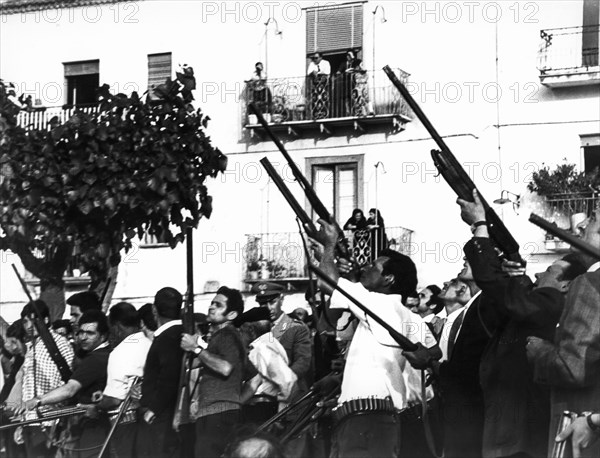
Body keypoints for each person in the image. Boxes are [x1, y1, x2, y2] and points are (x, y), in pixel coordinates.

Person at [315, 217, 437, 458]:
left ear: (388, 280)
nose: (365, 267)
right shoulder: (407, 315)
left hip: (366, 417)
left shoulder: (379, 302)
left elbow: (325, 281)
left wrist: (329, 245)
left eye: (373, 266)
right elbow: (435, 352)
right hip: (378, 415)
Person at [526, 206, 600, 458]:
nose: (579, 228)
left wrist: (540, 351)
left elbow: (573, 368)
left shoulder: (591, 283)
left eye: (590, 220)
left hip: (581, 431)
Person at [21, 310, 111, 458]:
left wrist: (37, 400)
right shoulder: (101, 355)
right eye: (81, 332)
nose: (83, 337)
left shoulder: (96, 359)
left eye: (90, 333)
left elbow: (70, 389)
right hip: (88, 427)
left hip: (93, 431)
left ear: (103, 336)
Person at [181, 286, 258, 458]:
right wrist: (237, 402)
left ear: (231, 315)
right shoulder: (230, 339)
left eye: (218, 305)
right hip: (221, 414)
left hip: (216, 416)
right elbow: (255, 378)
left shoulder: (226, 335)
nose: (211, 307)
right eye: (212, 303)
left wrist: (196, 348)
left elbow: (225, 368)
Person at [18, 300, 75, 458]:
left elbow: (69, 380)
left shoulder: (59, 343)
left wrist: (61, 420)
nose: (29, 326)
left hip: (50, 420)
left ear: (45, 320)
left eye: (33, 320)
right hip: (31, 420)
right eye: (25, 321)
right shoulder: (31, 346)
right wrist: (22, 423)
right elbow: (27, 388)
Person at [96, 302, 152, 458]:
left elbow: (114, 399)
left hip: (123, 422)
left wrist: (97, 406)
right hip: (146, 419)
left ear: (116, 326)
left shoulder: (119, 352)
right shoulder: (150, 344)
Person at [137, 287, 184, 458]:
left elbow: (169, 376)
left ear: (154, 310)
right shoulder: (181, 333)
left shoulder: (167, 337)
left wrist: (153, 410)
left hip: (161, 418)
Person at [238, 307, 297, 425]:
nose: (240, 336)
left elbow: (289, 380)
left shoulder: (262, 347)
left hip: (260, 410)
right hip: (262, 408)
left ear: (250, 330)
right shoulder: (270, 343)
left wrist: (280, 413)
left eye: (241, 331)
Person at [251, 282, 312, 393]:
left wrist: (280, 381)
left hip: (288, 392)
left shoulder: (296, 328)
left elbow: (302, 363)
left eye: (272, 302)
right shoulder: (254, 329)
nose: (268, 308)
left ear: (281, 299)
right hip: (259, 394)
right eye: (263, 304)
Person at [307, 52, 331, 119]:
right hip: (315, 86)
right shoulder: (312, 64)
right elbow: (309, 72)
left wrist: (318, 73)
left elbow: (327, 72)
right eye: (314, 58)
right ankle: (315, 115)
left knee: (324, 100)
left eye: (316, 58)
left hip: (324, 85)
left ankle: (325, 115)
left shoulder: (326, 63)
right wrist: (313, 72)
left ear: (321, 57)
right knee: (315, 101)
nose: (315, 59)